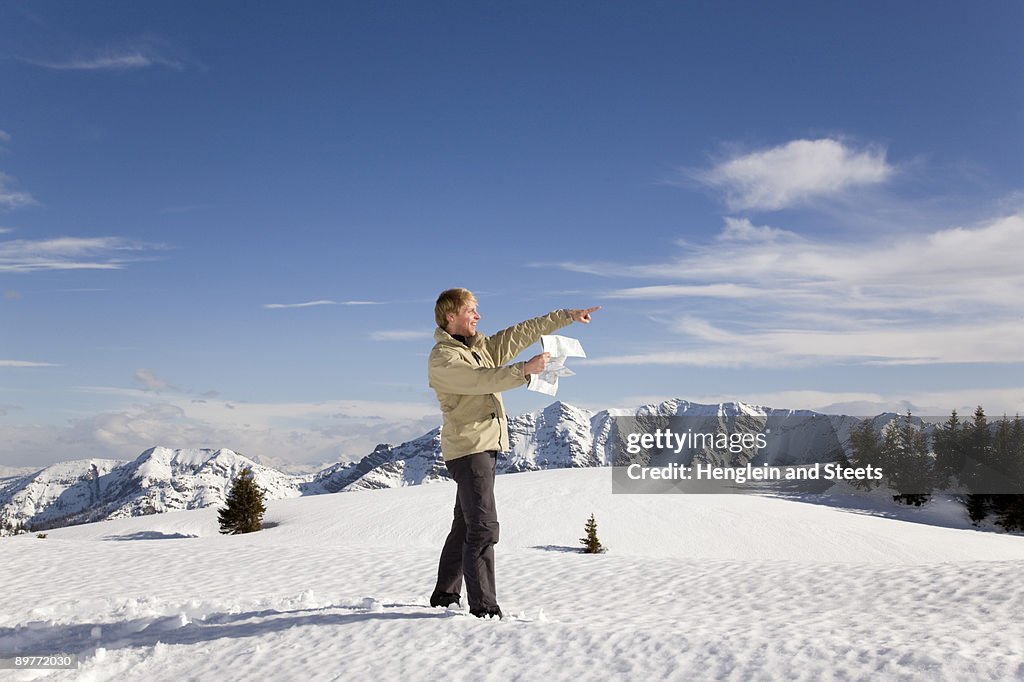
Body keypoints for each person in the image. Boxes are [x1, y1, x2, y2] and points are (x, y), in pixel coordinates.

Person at [427, 287, 599, 618]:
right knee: (483, 527)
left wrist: (565, 317)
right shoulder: (444, 358)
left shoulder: (480, 348)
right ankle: (484, 609)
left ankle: (445, 596)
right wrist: (523, 370)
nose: (478, 315)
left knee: (465, 524)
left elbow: (519, 334)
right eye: (472, 310)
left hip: (483, 446)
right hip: (469, 448)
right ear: (452, 316)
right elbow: (479, 381)